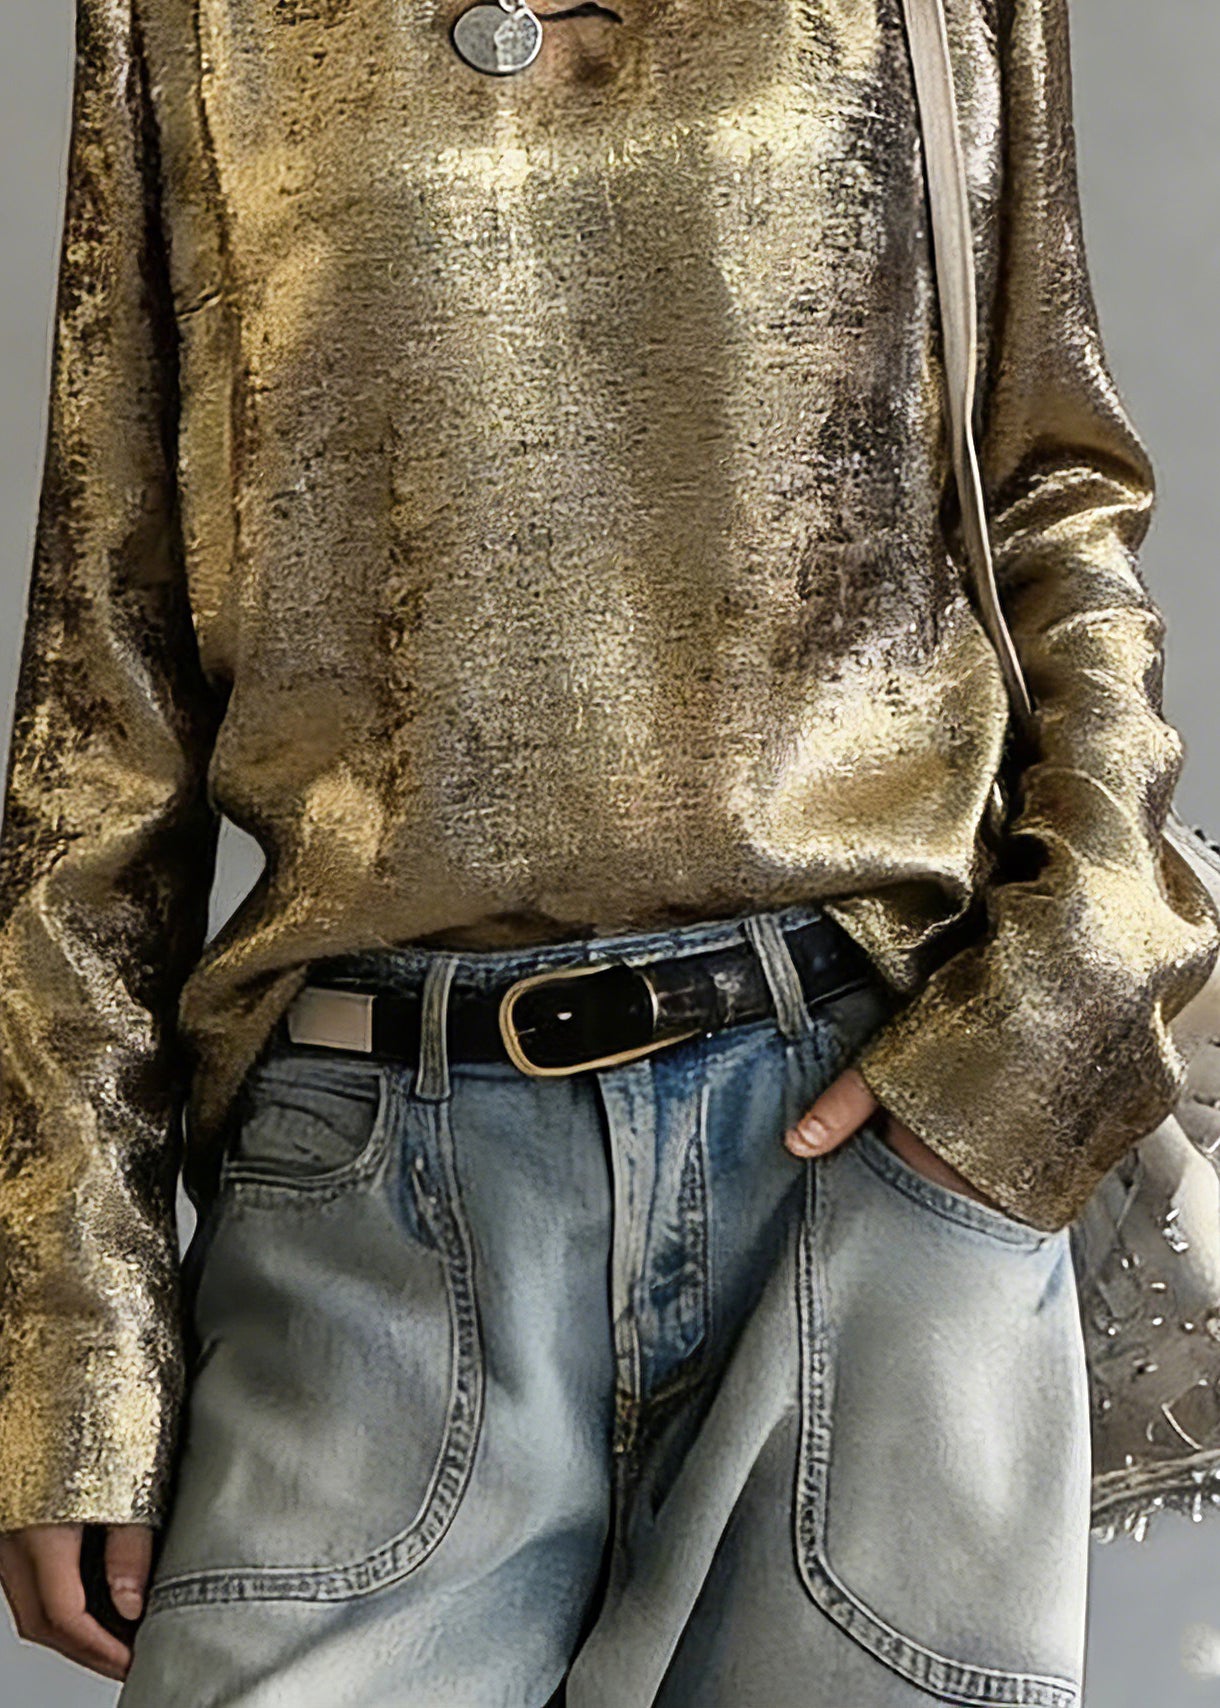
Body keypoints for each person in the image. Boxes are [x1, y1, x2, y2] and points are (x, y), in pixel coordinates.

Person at [0, 0, 1216, 1702]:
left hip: (871, 1143)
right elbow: (105, 673)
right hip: (374, 1193)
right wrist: (74, 1342)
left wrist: (1058, 1007)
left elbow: (1052, 496)